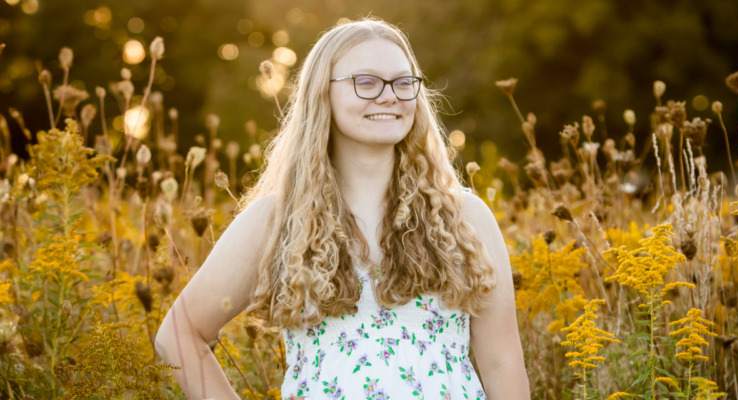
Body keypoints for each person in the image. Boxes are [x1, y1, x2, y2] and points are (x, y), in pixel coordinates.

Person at [155, 17, 531, 400]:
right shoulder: (277, 219)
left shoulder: (465, 216)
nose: (389, 96)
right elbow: (179, 334)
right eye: (365, 82)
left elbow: (502, 361)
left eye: (403, 83)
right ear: (324, 93)